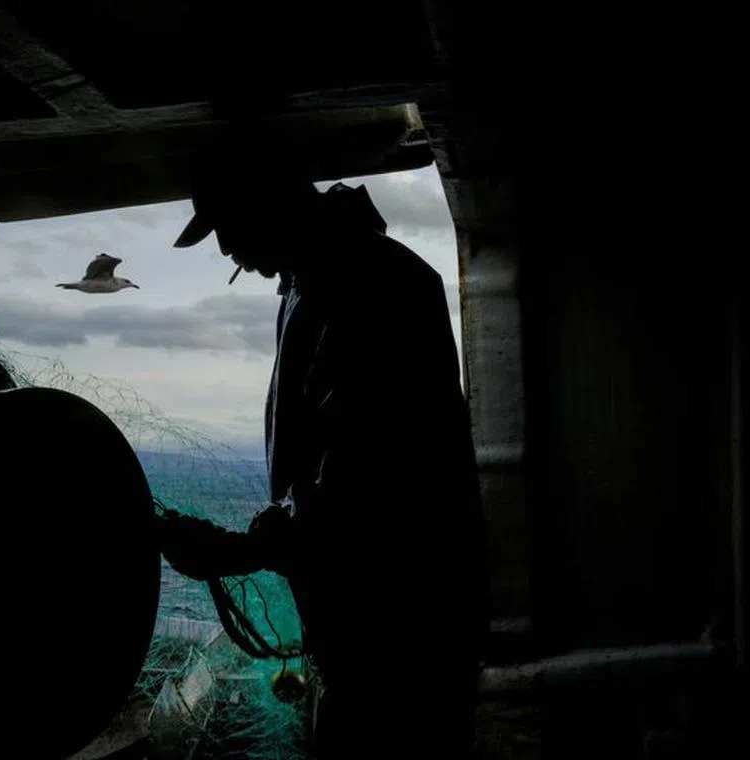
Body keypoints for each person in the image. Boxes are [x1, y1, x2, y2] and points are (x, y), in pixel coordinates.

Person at [157, 128, 489, 758]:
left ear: (271, 200)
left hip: (403, 630)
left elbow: (370, 478)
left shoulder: (365, 286)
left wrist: (236, 550)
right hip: (380, 623)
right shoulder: (322, 279)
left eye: (229, 224)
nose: (227, 248)